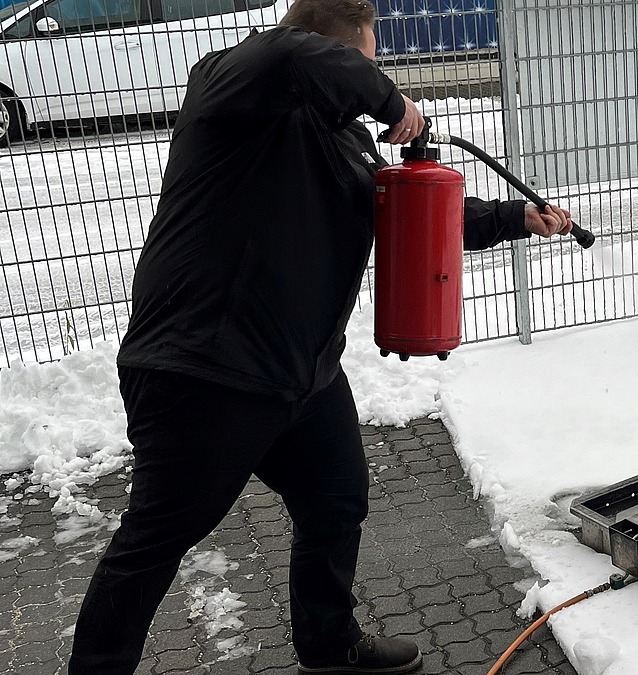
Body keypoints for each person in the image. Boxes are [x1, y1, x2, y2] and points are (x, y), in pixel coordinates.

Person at [67, 0, 574, 672]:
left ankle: (328, 644)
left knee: (336, 500)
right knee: (155, 541)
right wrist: (391, 100)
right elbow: (289, 55)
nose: (365, 79)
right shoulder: (232, 81)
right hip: (206, 372)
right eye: (365, 60)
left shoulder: (341, 137)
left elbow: (406, 210)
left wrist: (514, 218)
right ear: (334, 49)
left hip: (300, 372)